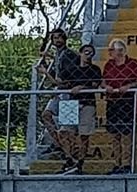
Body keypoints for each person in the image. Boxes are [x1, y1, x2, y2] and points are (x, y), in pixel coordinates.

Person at [57, 43, 103, 174]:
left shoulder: (94, 69)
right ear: (81, 53)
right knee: (64, 132)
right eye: (86, 51)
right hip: (71, 102)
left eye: (91, 52)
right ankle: (69, 158)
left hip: (87, 102)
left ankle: (80, 162)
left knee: (84, 135)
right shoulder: (72, 69)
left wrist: (81, 87)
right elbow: (59, 81)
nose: (88, 54)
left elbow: (95, 85)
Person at [102, 40, 137, 174]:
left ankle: (127, 164)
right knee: (114, 134)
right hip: (113, 101)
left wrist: (128, 86)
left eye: (112, 50)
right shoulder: (109, 65)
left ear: (119, 51)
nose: (109, 52)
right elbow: (103, 81)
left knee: (127, 133)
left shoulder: (133, 63)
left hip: (127, 101)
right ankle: (117, 163)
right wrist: (106, 87)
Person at [38, 28, 79, 157]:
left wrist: (45, 73)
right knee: (46, 115)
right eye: (54, 38)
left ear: (64, 39)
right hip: (60, 91)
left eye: (59, 37)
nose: (57, 40)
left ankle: (69, 153)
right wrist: (49, 57)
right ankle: (58, 144)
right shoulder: (59, 55)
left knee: (68, 127)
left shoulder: (69, 55)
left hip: (68, 92)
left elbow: (61, 81)